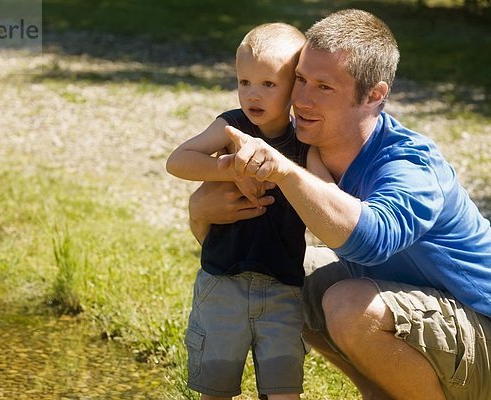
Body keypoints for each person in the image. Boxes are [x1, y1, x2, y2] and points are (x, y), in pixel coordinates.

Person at [188, 9, 491, 400]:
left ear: (375, 95)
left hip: (481, 328)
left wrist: (285, 172)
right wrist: (201, 210)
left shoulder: (409, 165)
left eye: (324, 87)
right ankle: (378, 393)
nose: (302, 99)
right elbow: (239, 235)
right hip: (428, 316)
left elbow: (369, 240)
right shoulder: (305, 145)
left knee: (350, 305)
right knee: (293, 272)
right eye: (299, 79)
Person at [166, 23, 332, 400]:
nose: (252, 94)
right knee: (216, 388)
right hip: (223, 280)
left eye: (268, 84)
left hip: (282, 287)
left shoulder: (305, 144)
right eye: (244, 82)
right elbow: (178, 161)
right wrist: (226, 168)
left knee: (283, 388)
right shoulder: (232, 127)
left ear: (295, 86)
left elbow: (328, 195)